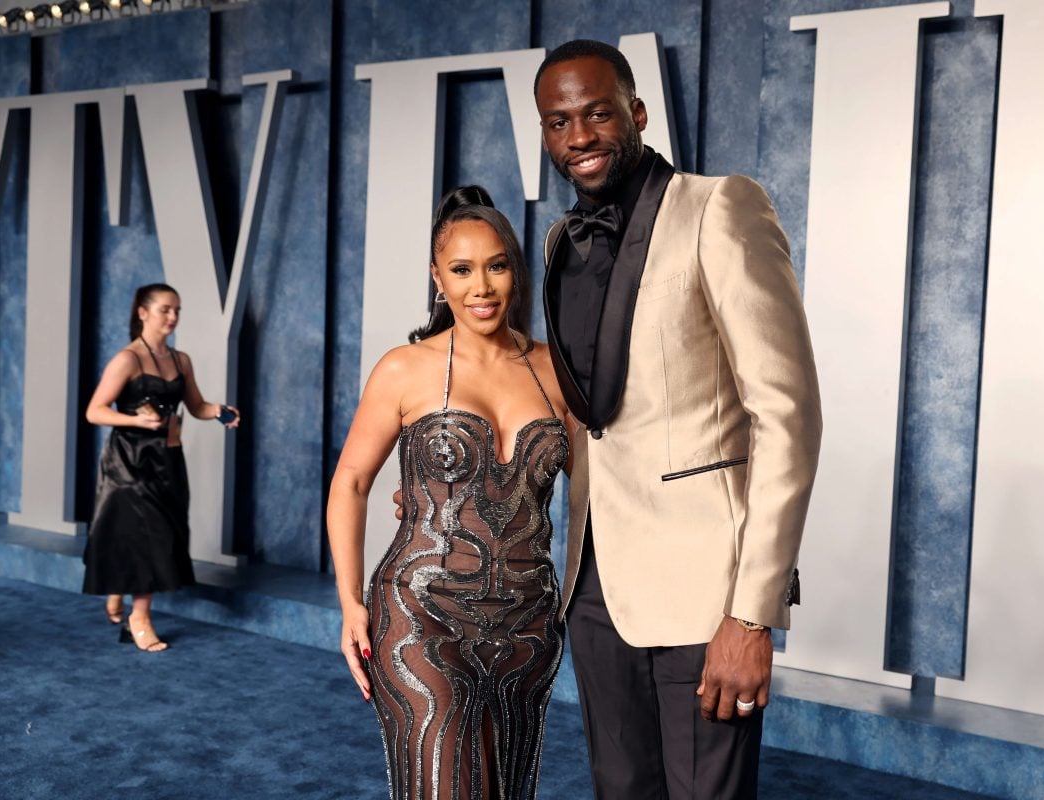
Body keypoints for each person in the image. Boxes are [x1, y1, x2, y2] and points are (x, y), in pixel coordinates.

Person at [533, 40, 822, 798]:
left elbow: (787, 416)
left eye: (597, 114)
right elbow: (585, 420)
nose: (580, 137)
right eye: (558, 123)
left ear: (636, 112)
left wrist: (752, 615)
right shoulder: (561, 241)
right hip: (595, 589)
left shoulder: (720, 206)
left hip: (705, 594)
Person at [327, 187, 572, 800]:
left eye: (495, 265)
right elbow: (351, 483)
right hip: (420, 613)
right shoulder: (404, 368)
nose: (480, 287)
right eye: (461, 270)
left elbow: (605, 490)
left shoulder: (554, 370)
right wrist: (350, 603)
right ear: (437, 278)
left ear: (515, 268)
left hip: (528, 623)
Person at [83, 282, 240, 652]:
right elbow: (94, 411)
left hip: (168, 461)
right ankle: (139, 619)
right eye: (165, 310)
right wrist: (136, 422)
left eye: (177, 310)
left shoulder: (181, 359)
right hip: (130, 463)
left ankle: (119, 590)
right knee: (146, 535)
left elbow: (196, 406)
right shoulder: (127, 359)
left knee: (163, 533)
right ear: (143, 312)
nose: (173, 317)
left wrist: (219, 412)